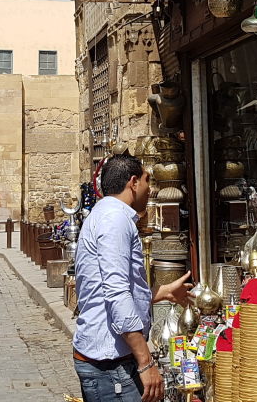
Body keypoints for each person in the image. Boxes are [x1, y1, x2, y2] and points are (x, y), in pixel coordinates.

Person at [73, 153, 193, 402]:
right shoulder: (114, 220)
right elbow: (116, 293)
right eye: (148, 180)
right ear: (133, 182)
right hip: (111, 367)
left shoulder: (107, 214)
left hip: (111, 364)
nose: (150, 189)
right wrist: (146, 361)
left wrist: (162, 292)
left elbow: (110, 288)